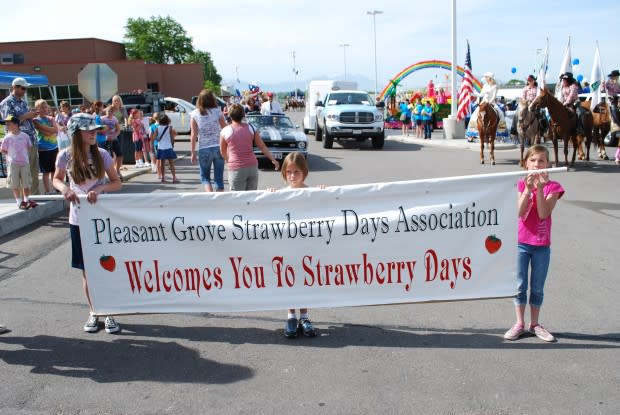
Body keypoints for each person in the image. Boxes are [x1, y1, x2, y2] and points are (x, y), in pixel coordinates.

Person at [52, 113, 122, 334]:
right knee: (87, 270)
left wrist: (100, 189)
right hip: (78, 220)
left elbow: (116, 182)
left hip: (102, 220)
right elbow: (56, 178)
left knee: (106, 267)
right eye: (88, 130)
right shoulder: (65, 156)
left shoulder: (102, 154)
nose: (93, 133)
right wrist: (65, 189)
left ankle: (110, 311)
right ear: (76, 133)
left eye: (95, 129)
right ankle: (94, 311)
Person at [504, 144, 564, 342]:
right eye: (533, 160)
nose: (537, 164)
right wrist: (528, 189)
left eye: (541, 161)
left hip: (541, 245)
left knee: (537, 287)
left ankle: (535, 323)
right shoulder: (521, 184)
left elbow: (543, 212)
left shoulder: (553, 187)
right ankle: (519, 323)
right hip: (521, 243)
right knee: (520, 285)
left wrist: (539, 188)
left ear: (548, 164)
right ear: (526, 164)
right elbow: (519, 212)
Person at [277, 152, 318, 338]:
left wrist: (323, 194)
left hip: (306, 246)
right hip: (287, 247)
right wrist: (269, 196)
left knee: (305, 280)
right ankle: (291, 315)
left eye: (297, 172)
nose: (292, 176)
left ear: (304, 173)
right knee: (289, 280)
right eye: (289, 172)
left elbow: (327, 206)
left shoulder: (311, 193)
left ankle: (305, 316)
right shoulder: (280, 195)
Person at [220, 104, 280, 191]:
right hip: (252, 166)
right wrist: (273, 159)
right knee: (251, 198)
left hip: (236, 168)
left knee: (237, 198)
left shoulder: (225, 131)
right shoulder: (252, 128)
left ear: (229, 115)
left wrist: (228, 161)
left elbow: (222, 151)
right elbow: (262, 147)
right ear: (243, 115)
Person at [0, 77, 40, 195]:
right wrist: (26, 116)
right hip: (18, 144)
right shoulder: (6, 103)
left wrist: (32, 115)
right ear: (15, 87)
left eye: (25, 88)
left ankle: (35, 197)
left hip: (30, 140)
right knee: (22, 174)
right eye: (22, 88)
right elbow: (9, 123)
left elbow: (25, 118)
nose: (25, 90)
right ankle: (25, 200)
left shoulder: (23, 102)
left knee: (32, 172)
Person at [190, 89, 227, 192]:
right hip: (218, 147)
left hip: (204, 148)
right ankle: (220, 201)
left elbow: (193, 134)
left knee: (205, 178)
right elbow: (225, 129)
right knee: (219, 178)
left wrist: (192, 152)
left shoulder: (194, 114)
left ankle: (210, 199)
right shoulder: (217, 112)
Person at [0, 115, 36, 209]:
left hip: (24, 162)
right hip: (13, 163)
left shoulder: (24, 136)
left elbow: (29, 146)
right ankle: (19, 202)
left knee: (26, 183)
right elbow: (3, 150)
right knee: (14, 183)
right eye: (6, 124)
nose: (7, 126)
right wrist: (11, 156)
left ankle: (26, 200)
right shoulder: (7, 137)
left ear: (16, 124)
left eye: (9, 124)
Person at [466, 72, 508, 141]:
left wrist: (489, 103)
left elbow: (494, 96)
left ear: (490, 78)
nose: (485, 78)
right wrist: (472, 94)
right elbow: (481, 95)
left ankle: (501, 133)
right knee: (474, 115)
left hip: (492, 103)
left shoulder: (495, 86)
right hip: (483, 103)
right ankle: (472, 133)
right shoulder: (485, 86)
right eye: (485, 77)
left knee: (501, 114)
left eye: (486, 77)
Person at [32, 99, 59, 195]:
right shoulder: (35, 120)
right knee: (46, 171)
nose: (44, 109)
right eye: (42, 107)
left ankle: (56, 188)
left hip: (54, 147)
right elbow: (46, 132)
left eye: (45, 107)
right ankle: (48, 191)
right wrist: (52, 129)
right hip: (44, 149)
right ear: (37, 109)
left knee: (55, 170)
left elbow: (56, 130)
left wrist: (53, 129)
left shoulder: (51, 118)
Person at [154, 113, 178, 183]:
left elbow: (155, 137)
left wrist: (158, 139)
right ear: (167, 121)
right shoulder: (170, 128)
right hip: (168, 146)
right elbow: (171, 137)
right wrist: (172, 144)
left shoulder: (157, 128)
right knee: (171, 163)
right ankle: (174, 177)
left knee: (162, 163)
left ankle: (163, 177)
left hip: (161, 147)